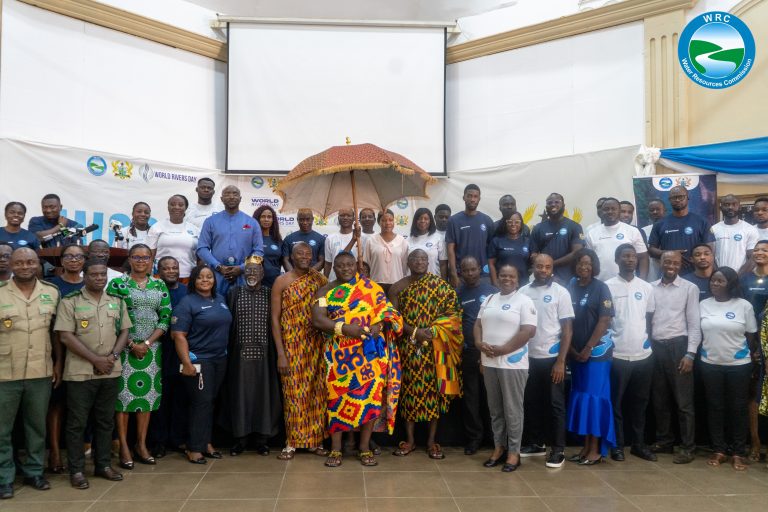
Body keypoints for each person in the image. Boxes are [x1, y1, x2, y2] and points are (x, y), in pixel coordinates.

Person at [311, 251, 403, 467]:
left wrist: (378, 325)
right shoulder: (325, 290)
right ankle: (336, 449)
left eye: (349, 265)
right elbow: (318, 320)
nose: (345, 269)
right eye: (340, 265)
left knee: (370, 399)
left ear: (356, 266)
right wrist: (345, 329)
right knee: (337, 399)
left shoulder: (371, 287)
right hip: (339, 356)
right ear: (334, 268)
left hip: (369, 354)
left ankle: (364, 447)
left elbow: (388, 312)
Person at [55, 258, 132, 489]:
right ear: (85, 276)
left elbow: (125, 331)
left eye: (102, 275)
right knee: (77, 423)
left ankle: (103, 465)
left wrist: (112, 357)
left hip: (110, 370)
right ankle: (77, 470)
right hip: (80, 372)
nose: (99, 278)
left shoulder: (116, 301)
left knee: (105, 421)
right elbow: (65, 336)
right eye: (94, 274)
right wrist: (95, 359)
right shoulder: (70, 301)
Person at [389, 249, 463, 460]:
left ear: (428, 262)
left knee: (433, 393)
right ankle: (410, 440)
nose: (419, 262)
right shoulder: (397, 287)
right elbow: (394, 320)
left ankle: (431, 441)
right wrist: (414, 331)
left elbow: (454, 314)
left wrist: (434, 331)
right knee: (409, 393)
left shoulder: (441, 286)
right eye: (415, 259)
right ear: (408, 262)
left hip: (435, 347)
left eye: (423, 259)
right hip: (408, 347)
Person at [0, 248, 61, 499]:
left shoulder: (51, 292)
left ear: (38, 264)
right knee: (2, 429)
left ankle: (34, 471)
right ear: (11, 264)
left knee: (36, 426)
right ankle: (4, 477)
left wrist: (58, 364)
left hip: (40, 370)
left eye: (30, 262)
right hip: (4, 372)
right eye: (19, 262)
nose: (25, 266)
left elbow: (56, 332)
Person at [107, 244, 171, 469]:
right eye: (137, 257)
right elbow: (112, 316)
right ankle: (124, 446)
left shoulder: (159, 284)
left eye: (146, 257)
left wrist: (147, 343)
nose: (141, 261)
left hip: (151, 350)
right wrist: (132, 344)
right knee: (123, 399)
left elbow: (165, 316)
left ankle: (141, 445)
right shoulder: (118, 284)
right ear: (130, 259)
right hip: (124, 349)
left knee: (147, 398)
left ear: (151, 260)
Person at [473, 264, 537, 472]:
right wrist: (478, 344)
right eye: (503, 275)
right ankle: (499, 447)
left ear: (518, 279)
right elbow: (478, 325)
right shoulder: (490, 299)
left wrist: (503, 350)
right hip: (489, 362)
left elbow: (528, 331)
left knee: (512, 410)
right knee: (495, 410)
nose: (507, 279)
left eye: (511, 276)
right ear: (497, 277)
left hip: (512, 364)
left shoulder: (524, 301)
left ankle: (514, 452)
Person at [270, 242, 328, 459]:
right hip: (291, 345)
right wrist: (281, 353)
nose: (304, 256)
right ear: (291, 257)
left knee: (317, 393)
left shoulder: (320, 280)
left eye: (308, 254)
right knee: (293, 393)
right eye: (300, 254)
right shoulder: (282, 281)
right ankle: (292, 442)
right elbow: (274, 318)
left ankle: (316, 441)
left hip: (316, 344)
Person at [171, 265, 232, 464]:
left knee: (210, 402)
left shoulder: (220, 299)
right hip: (199, 360)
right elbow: (178, 335)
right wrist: (186, 362)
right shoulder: (187, 302)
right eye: (200, 277)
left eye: (209, 277)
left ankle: (206, 442)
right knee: (201, 402)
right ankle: (194, 447)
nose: (205, 280)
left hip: (219, 359)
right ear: (193, 281)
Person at [699, 267, 757, 470]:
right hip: (710, 364)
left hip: (738, 365)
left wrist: (744, 355)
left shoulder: (744, 305)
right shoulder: (704, 305)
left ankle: (738, 452)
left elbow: (751, 335)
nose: (715, 284)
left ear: (730, 284)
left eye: (720, 281)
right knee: (715, 407)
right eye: (713, 280)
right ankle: (719, 449)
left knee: (738, 408)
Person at [518, 254, 573, 467]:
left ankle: (558, 449)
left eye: (547, 267)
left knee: (555, 405)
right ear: (533, 267)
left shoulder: (561, 292)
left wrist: (561, 361)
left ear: (552, 269)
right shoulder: (523, 292)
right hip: (528, 358)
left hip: (552, 358)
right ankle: (536, 443)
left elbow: (567, 331)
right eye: (539, 266)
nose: (543, 270)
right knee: (532, 402)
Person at [605, 245, 657, 462]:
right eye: (625, 256)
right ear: (617, 260)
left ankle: (638, 445)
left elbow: (649, 319)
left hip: (643, 356)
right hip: (617, 354)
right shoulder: (607, 286)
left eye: (633, 256)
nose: (630, 260)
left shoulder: (646, 287)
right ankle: (617, 445)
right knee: (615, 403)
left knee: (640, 403)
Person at [649, 251, 701, 464]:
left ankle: (688, 447)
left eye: (676, 263)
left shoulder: (689, 288)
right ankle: (665, 440)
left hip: (679, 347)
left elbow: (694, 323)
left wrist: (690, 353)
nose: (671, 265)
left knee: (683, 402)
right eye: (667, 261)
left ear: (681, 265)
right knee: (659, 399)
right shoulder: (650, 287)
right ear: (660, 263)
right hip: (655, 347)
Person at [226, 256, 281, 456]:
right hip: (239, 356)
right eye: (248, 270)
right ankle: (240, 439)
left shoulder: (270, 293)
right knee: (239, 395)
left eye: (255, 271)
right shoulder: (234, 293)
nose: (251, 274)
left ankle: (262, 440)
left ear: (262, 274)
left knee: (264, 396)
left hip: (265, 356)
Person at [566, 248, 616, 465]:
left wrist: (588, 348)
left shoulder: (601, 288)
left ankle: (596, 450)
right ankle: (586, 448)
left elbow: (604, 320)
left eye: (588, 263)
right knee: (583, 399)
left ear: (594, 265)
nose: (584, 267)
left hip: (597, 355)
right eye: (580, 263)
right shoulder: (571, 287)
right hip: (576, 354)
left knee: (594, 400)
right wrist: (572, 349)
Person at [46, 244, 87, 474]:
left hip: (86, 353)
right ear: (61, 260)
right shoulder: (52, 287)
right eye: (69, 256)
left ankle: (80, 452)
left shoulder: (89, 284)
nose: (73, 260)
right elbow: (54, 326)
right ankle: (54, 451)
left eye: (78, 256)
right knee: (57, 404)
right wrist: (57, 361)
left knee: (79, 406)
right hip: (58, 350)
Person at [147, 256, 188, 458]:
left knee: (180, 398)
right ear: (159, 271)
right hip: (157, 349)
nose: (171, 271)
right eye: (166, 268)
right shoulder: (153, 290)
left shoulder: (187, 291)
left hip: (181, 351)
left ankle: (177, 439)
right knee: (160, 399)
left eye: (174, 267)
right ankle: (159, 441)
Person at [457, 256, 497, 455]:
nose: (470, 273)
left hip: (491, 351)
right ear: (461, 272)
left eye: (473, 269)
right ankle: (474, 438)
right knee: (471, 398)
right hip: (469, 352)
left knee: (492, 396)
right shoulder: (457, 293)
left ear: (480, 269)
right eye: (466, 270)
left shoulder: (492, 291)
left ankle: (494, 437)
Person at [197, 185, 264, 294]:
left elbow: (259, 252)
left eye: (235, 194)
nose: (231, 197)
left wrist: (242, 268)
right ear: (221, 199)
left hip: (244, 276)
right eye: (227, 194)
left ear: (240, 198)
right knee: (217, 303)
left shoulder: (252, 223)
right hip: (217, 275)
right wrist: (218, 266)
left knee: (242, 305)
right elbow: (202, 249)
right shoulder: (210, 221)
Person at [648, 185, 715, 275]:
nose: (677, 200)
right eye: (674, 197)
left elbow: (709, 250)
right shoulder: (660, 224)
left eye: (681, 197)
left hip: (696, 273)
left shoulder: (702, 222)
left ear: (688, 197)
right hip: (669, 273)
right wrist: (671, 254)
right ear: (669, 200)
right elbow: (651, 250)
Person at [585, 197, 648, 280]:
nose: (610, 211)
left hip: (628, 282)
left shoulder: (632, 231)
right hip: (600, 282)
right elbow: (589, 260)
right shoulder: (592, 233)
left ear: (619, 211)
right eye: (606, 209)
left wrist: (642, 280)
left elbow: (643, 257)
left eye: (613, 209)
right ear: (602, 212)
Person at [446, 184, 495, 288]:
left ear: (479, 199)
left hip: (483, 274)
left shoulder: (487, 220)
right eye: (469, 196)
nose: (472, 199)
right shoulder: (453, 221)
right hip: (461, 275)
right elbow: (450, 249)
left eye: (475, 196)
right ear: (464, 197)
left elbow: (492, 250)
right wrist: (453, 274)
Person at [530, 193, 585, 284]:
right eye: (549, 202)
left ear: (563, 206)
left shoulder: (575, 226)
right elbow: (533, 254)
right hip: (544, 277)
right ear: (546, 207)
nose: (553, 204)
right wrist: (545, 266)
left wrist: (551, 264)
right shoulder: (538, 228)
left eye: (557, 202)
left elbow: (577, 252)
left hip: (568, 278)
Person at [146, 194, 200, 281]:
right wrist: (147, 279)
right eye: (172, 204)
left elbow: (200, 257)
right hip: (161, 277)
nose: (176, 207)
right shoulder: (157, 227)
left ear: (186, 208)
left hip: (188, 277)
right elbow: (149, 256)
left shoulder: (195, 230)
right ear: (168, 207)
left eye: (180, 205)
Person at [363, 209, 409, 291]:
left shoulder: (402, 241)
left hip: (397, 284)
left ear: (394, 221)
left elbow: (404, 265)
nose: (387, 223)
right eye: (384, 220)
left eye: (390, 220)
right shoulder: (371, 240)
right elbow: (366, 263)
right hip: (376, 284)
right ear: (379, 222)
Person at [712, 195, 758, 275]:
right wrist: (718, 275)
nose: (730, 207)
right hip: (718, 277)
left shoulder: (750, 229)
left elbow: (753, 258)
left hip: (741, 276)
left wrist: (738, 276)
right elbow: (710, 256)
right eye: (726, 204)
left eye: (734, 204)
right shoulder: (713, 229)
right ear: (720, 208)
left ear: (739, 207)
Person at [489, 211, 532, 287]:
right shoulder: (497, 241)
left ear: (521, 224)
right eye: (510, 222)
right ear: (505, 223)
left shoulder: (527, 241)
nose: (513, 224)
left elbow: (531, 262)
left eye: (517, 222)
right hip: (503, 283)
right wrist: (495, 282)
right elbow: (491, 263)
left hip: (523, 284)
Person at [407, 207, 447, 278]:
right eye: (419, 218)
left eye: (426, 219)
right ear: (415, 221)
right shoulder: (407, 240)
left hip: (433, 281)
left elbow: (443, 264)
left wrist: (444, 282)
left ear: (430, 221)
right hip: (412, 281)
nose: (422, 221)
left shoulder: (438, 238)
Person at [253, 205, 284, 288]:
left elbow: (282, 262)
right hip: (255, 284)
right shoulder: (252, 239)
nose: (266, 219)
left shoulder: (278, 240)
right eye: (263, 216)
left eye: (269, 217)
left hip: (275, 284)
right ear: (257, 218)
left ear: (273, 220)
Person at [324, 208, 359, 281]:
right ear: (338, 218)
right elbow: (328, 263)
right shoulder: (330, 238)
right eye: (342, 215)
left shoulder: (361, 238)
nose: (345, 218)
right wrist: (324, 280)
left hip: (355, 281)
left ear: (353, 218)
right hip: (334, 281)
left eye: (348, 215)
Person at [642, 199, 667, 282]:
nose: (655, 212)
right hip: (650, 270)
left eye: (658, 209)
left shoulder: (672, 228)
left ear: (664, 211)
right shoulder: (643, 231)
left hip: (669, 267)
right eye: (652, 210)